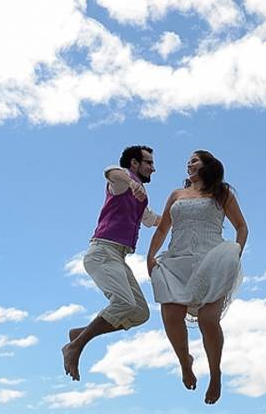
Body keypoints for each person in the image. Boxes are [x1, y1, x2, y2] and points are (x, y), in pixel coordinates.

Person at [147, 150, 248, 405]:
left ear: (208, 165)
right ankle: (185, 362)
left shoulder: (222, 193)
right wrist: (150, 256)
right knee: (171, 315)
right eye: (188, 161)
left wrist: (235, 253)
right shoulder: (176, 195)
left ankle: (215, 374)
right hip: (177, 261)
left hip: (212, 260)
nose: (189, 163)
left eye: (194, 159)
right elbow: (162, 229)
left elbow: (241, 226)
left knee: (208, 319)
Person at [62, 145, 161, 381]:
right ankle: (76, 346)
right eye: (148, 162)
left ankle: (81, 334)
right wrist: (131, 181)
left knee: (140, 313)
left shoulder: (141, 198)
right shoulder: (120, 184)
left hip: (118, 257)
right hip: (102, 252)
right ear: (134, 164)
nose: (153, 168)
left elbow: (154, 220)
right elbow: (110, 171)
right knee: (124, 303)